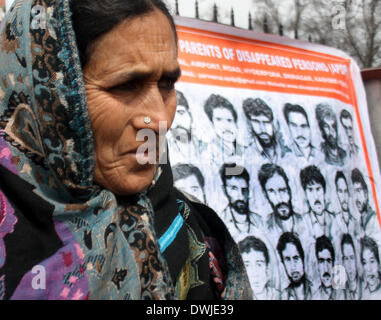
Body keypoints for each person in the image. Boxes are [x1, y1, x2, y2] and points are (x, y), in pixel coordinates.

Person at [0, 0, 251, 300]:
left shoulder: (192, 229)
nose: (160, 120)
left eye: (167, 84)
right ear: (49, 96)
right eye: (126, 85)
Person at [258, 164, 306, 241]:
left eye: (282, 190)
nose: (279, 198)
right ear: (265, 194)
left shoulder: (304, 221)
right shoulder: (265, 228)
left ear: (289, 190)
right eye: (272, 192)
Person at [220, 163, 262, 239]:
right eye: (234, 189)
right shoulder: (220, 221)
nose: (241, 196)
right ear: (224, 190)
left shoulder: (259, 221)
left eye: (244, 189)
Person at [243, 98, 291, 164]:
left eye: (266, 122)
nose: (262, 129)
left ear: (275, 124)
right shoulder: (245, 155)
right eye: (256, 122)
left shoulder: (288, 153)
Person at [203, 94, 244, 168]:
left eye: (229, 120)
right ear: (212, 123)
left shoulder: (244, 150)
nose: (226, 126)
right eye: (219, 120)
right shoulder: (209, 154)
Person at [167, 90, 204, 166]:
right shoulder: (164, 151)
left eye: (181, 112)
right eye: (170, 115)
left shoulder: (206, 148)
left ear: (190, 115)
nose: (176, 121)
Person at [300, 165, 336, 241]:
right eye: (310, 190)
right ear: (305, 195)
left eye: (318, 189)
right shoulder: (304, 223)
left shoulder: (334, 219)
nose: (316, 196)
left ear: (324, 191)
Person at [276, 232, 313, 300]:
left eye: (296, 258)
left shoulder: (315, 290)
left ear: (302, 258)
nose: (293, 266)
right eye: (287, 260)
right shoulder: (283, 296)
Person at [351, 168, 378, 241]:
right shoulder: (360, 222)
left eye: (358, 190)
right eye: (354, 192)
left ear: (366, 193)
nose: (356, 197)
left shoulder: (375, 220)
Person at [313, 235, 343, 300]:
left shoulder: (343, 295)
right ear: (317, 265)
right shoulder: (314, 297)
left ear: (333, 263)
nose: (326, 269)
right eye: (321, 261)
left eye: (329, 261)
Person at [334, 171, 361, 239]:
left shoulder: (354, 217)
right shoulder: (335, 220)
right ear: (336, 193)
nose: (344, 196)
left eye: (345, 191)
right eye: (340, 191)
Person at [341, 234, 363, 300]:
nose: (349, 265)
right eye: (346, 259)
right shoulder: (341, 293)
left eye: (352, 258)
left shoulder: (366, 286)